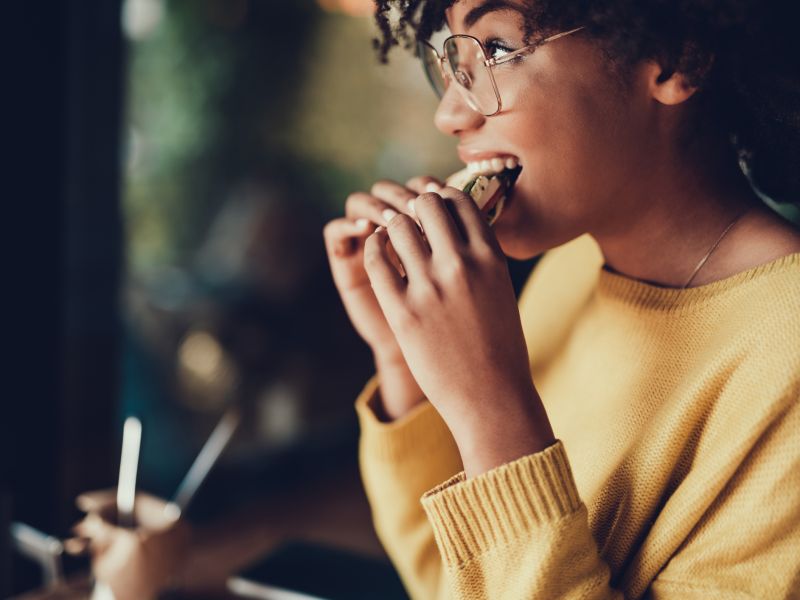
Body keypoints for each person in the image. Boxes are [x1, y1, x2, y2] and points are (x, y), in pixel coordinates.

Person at [323, 0, 800, 598]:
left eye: (495, 50)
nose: (449, 113)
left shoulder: (787, 354)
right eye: (451, 57)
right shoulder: (568, 269)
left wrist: (491, 410)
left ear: (677, 59)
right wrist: (404, 363)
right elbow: (448, 583)